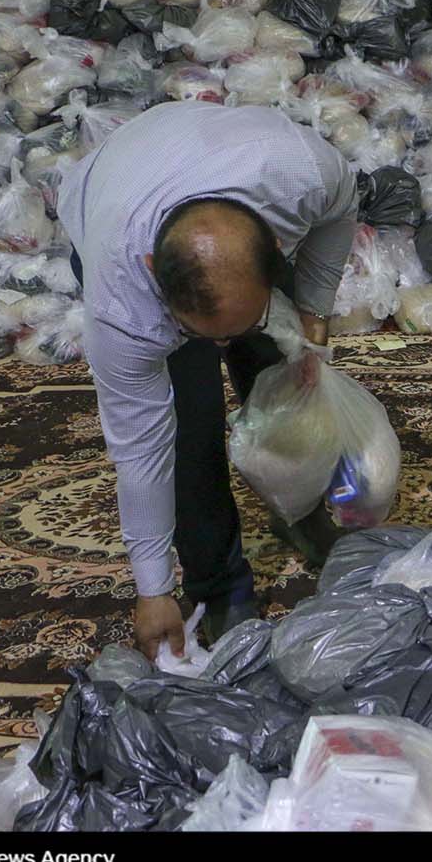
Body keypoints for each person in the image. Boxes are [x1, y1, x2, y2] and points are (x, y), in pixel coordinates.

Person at [57, 100, 358, 658]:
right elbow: (141, 449)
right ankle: (218, 586)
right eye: (202, 332)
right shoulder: (123, 303)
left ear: (276, 250)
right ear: (154, 275)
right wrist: (153, 589)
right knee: (190, 429)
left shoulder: (302, 176)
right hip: (106, 195)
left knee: (282, 375)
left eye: (235, 326)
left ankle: (298, 506)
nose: (219, 345)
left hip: (223, 162)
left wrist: (312, 307)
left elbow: (342, 213)